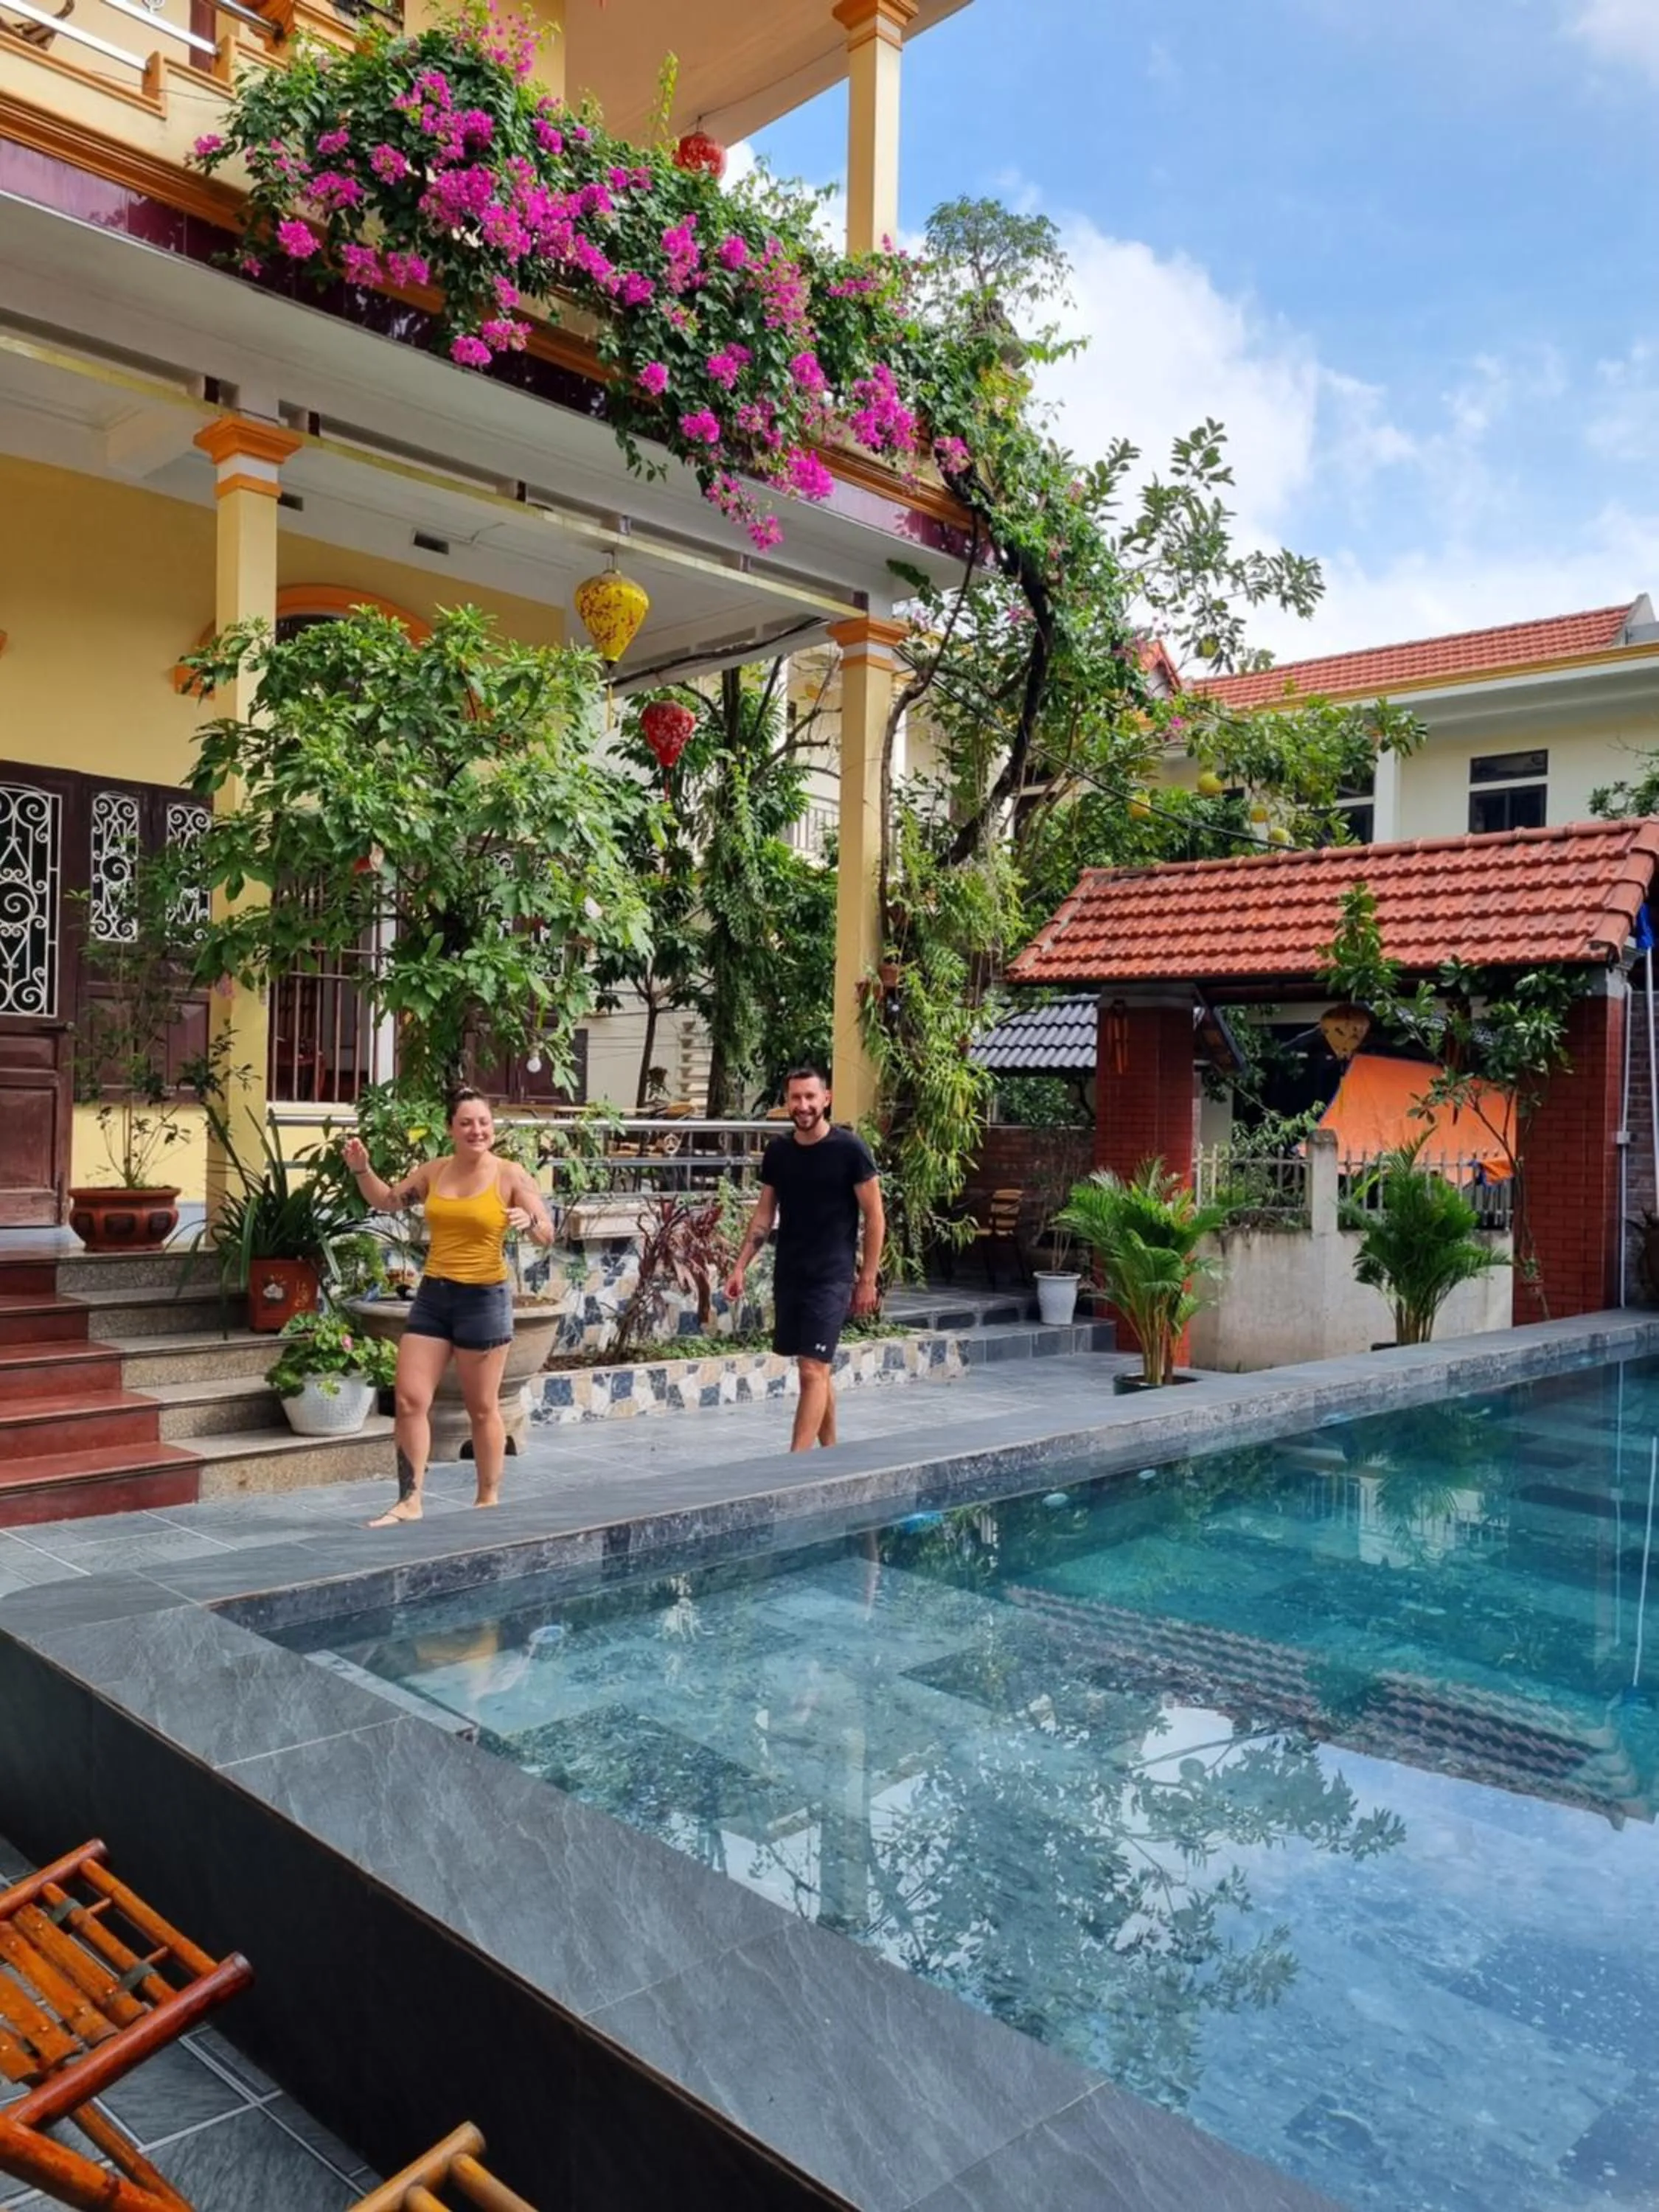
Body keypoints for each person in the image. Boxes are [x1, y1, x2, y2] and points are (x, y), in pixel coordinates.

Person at [341, 1088, 554, 1526]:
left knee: (482, 1407)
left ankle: (487, 1500)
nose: (477, 1130)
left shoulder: (511, 1175)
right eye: (467, 1123)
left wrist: (529, 1221)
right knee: (409, 1400)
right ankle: (410, 1501)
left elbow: (546, 1233)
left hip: (484, 1299)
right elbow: (386, 1201)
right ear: (450, 1129)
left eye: (484, 1122)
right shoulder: (435, 1172)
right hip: (435, 1297)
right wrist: (362, 1169)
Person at [724, 1065, 884, 1453]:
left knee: (813, 1368)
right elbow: (764, 1215)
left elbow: (875, 1217)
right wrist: (741, 1265)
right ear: (787, 1102)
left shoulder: (850, 1150)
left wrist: (866, 1280)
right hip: (791, 1273)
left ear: (826, 1099)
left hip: (831, 1276)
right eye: (796, 1097)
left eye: (811, 1097)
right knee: (814, 1368)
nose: (803, 1105)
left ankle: (794, 1466)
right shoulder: (779, 1152)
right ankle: (831, 1456)